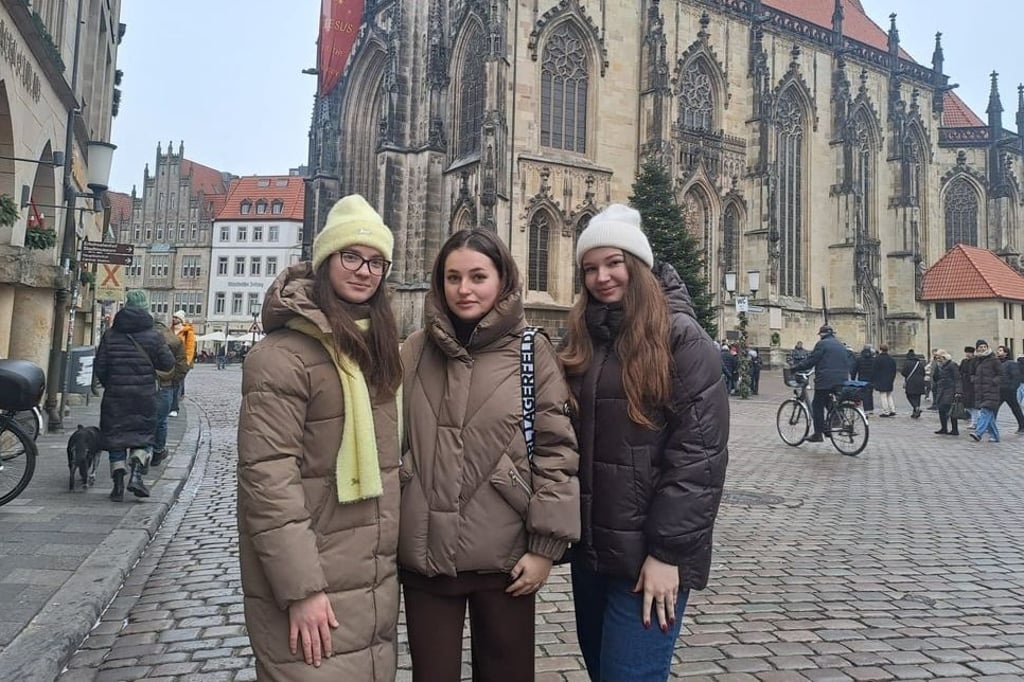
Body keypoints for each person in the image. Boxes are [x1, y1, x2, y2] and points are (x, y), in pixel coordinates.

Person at [399, 228, 580, 682]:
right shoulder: (415, 350)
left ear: (502, 280)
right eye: (453, 277)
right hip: (426, 555)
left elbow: (556, 451)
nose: (464, 289)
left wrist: (545, 548)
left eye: (478, 276)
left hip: (507, 558)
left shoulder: (531, 350)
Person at [236, 194, 404, 679]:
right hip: (313, 584)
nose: (364, 271)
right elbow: (268, 483)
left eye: (375, 261)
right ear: (326, 259)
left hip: (370, 583)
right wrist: (302, 590)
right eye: (350, 256)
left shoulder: (378, 350)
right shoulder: (280, 357)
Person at [559, 204, 729, 681]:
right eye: (590, 268)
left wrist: (667, 555)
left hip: (650, 560)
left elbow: (699, 458)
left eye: (614, 263)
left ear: (638, 264)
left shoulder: (681, 337)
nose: (602, 277)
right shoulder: (584, 338)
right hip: (594, 554)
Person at [93, 289, 174, 501]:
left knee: (116, 437)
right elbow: (168, 364)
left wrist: (111, 383)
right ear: (146, 310)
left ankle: (118, 482)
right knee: (143, 435)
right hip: (144, 396)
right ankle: (137, 472)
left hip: (116, 395)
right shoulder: (154, 336)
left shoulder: (110, 335)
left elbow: (100, 366)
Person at [790, 324, 851, 442]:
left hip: (826, 379)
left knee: (817, 405)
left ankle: (818, 434)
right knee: (829, 401)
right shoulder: (840, 344)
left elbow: (811, 360)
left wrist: (796, 368)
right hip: (842, 379)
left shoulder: (822, 344)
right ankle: (836, 418)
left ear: (822, 334)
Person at [151, 315, 188, 468]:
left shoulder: (143, 337)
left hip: (144, 384)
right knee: (161, 421)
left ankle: (140, 453)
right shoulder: (175, 340)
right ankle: (158, 451)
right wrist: (173, 381)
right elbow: (182, 366)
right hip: (165, 385)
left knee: (142, 418)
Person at [971, 339, 1002, 443]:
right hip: (980, 391)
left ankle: (978, 433)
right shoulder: (976, 360)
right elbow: (972, 373)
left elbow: (1001, 374)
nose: (983, 348)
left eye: (985, 346)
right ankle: (995, 436)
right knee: (989, 415)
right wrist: (974, 379)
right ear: (977, 348)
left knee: (985, 411)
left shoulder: (994, 360)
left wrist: (993, 382)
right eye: (981, 347)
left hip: (991, 391)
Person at [170, 310, 195, 417]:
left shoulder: (187, 332)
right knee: (171, 385)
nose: (174, 319)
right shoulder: (170, 330)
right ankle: (171, 405)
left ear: (181, 320)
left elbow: (190, 348)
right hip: (171, 361)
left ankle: (174, 407)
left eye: (176, 317)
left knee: (177, 385)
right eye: (173, 317)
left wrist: (187, 363)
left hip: (182, 362)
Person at [932, 350, 962, 436]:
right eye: (937, 358)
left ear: (944, 357)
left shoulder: (952, 365)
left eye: (939, 357)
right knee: (941, 409)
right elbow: (936, 377)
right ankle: (944, 428)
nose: (938, 359)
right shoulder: (939, 366)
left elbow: (957, 378)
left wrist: (958, 391)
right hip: (941, 389)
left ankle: (954, 429)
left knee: (950, 409)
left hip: (950, 389)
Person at [995, 344, 1024, 432]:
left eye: (1000, 350)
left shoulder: (1011, 363)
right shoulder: (996, 363)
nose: (998, 352)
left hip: (1008, 390)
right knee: (994, 408)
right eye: (998, 350)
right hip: (999, 389)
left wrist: (1012, 388)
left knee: (1015, 408)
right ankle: (989, 425)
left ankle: (1022, 426)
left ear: (1006, 353)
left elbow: (1016, 377)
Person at [872, 344, 898, 417]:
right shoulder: (891, 359)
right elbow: (894, 370)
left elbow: (874, 370)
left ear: (880, 350)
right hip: (889, 379)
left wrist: (874, 380)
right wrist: (892, 378)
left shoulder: (877, 359)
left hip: (881, 379)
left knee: (883, 395)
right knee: (889, 395)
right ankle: (892, 410)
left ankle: (886, 411)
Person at [900, 349, 926, 418]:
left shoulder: (907, 363)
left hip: (911, 382)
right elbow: (923, 372)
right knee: (917, 396)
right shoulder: (919, 363)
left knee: (909, 395)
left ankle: (916, 407)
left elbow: (903, 372)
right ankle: (915, 412)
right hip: (920, 382)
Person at [852, 345, 876, 414]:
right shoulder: (873, 360)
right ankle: (870, 409)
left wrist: (853, 379)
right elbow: (875, 370)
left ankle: (866, 409)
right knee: (870, 394)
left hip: (861, 379)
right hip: (871, 380)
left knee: (863, 394)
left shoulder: (859, 359)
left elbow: (854, 370)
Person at [959, 346, 977, 427]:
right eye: (966, 353)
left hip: (973, 385)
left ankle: (975, 422)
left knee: (973, 405)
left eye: (969, 353)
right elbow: (960, 370)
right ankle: (974, 421)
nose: (967, 354)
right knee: (967, 405)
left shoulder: (976, 361)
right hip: (965, 385)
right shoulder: (964, 361)